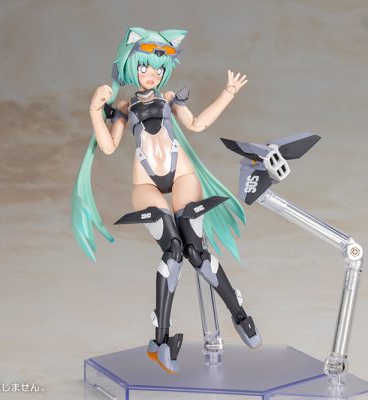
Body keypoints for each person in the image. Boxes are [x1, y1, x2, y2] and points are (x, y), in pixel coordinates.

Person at [71, 27, 261, 374]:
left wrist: (228, 93)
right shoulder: (125, 106)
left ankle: (240, 314)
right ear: (132, 67)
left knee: (196, 252)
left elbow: (198, 124)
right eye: (145, 67)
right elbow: (109, 147)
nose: (152, 74)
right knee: (173, 252)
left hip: (182, 174)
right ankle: (161, 338)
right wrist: (95, 111)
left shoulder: (170, 98)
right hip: (146, 181)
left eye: (158, 69)